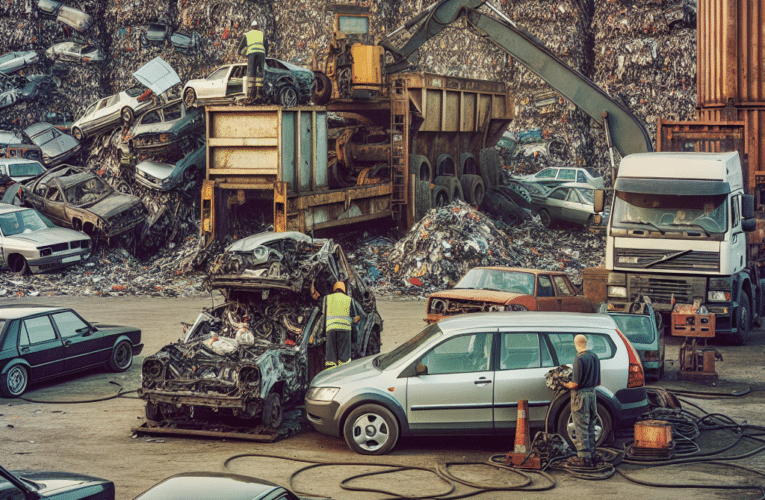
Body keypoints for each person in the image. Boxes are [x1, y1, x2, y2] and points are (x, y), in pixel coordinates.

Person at [563, 334, 601, 467]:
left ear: (576, 344)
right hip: (592, 394)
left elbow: (575, 384)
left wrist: (563, 382)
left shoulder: (579, 359)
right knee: (591, 425)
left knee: (581, 427)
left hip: (581, 397)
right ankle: (592, 455)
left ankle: (584, 459)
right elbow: (598, 382)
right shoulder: (594, 356)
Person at [321, 281, 362, 369]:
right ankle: (342, 375)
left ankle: (330, 375)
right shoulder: (349, 299)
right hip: (345, 330)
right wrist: (353, 321)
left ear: (334, 289)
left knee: (331, 359)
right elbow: (356, 317)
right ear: (344, 290)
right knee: (344, 359)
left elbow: (323, 316)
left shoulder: (327, 298)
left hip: (330, 330)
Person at [238, 20, 267, 98]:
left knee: (251, 70)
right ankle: (260, 92)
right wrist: (265, 55)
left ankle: (251, 92)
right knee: (260, 70)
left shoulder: (247, 34)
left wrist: (239, 52)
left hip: (252, 53)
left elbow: (241, 46)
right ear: (258, 27)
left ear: (251, 27)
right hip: (261, 53)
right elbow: (266, 46)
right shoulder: (262, 34)